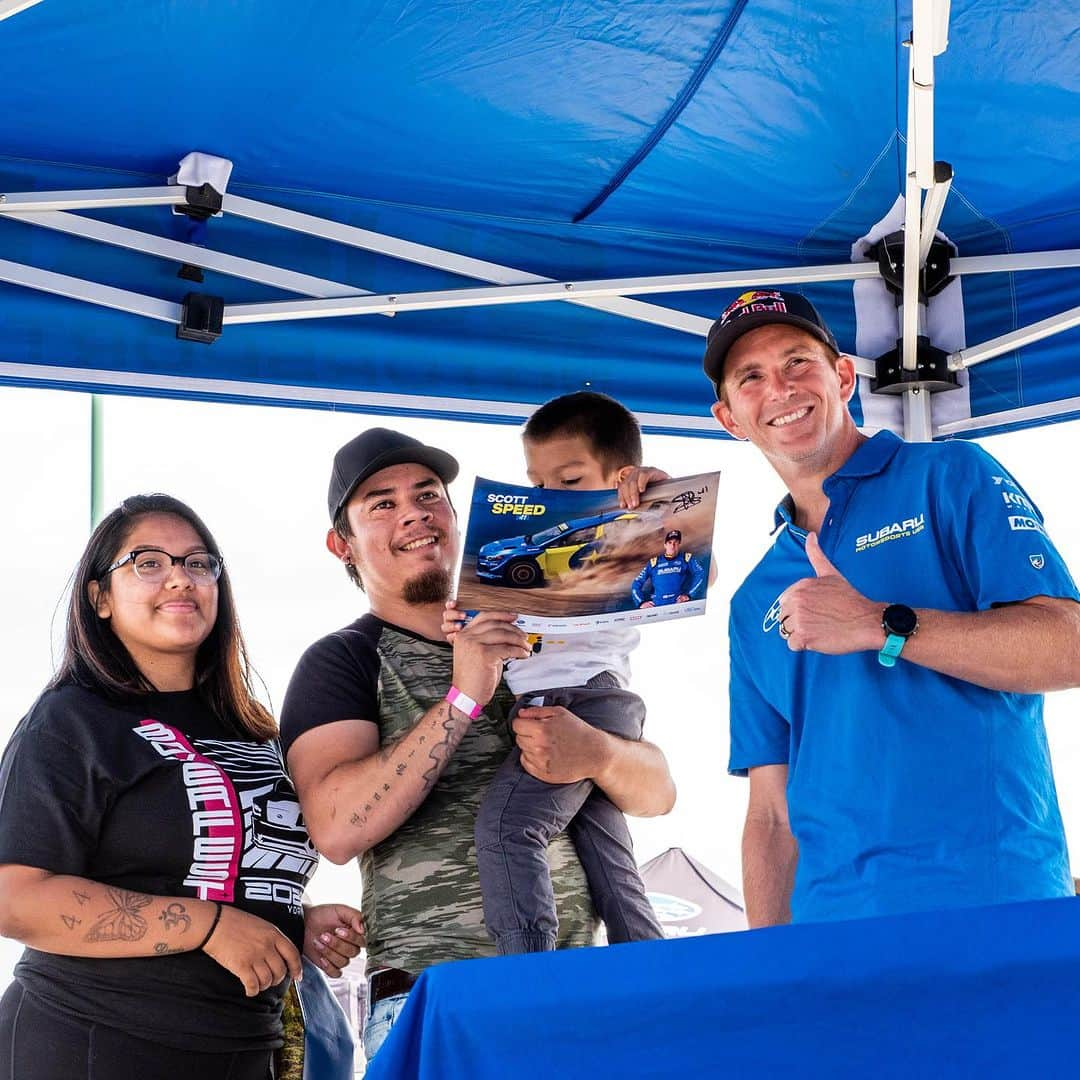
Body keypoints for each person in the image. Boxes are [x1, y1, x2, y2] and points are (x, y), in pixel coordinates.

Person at [280, 426, 675, 1062]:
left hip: (581, 1000)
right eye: (381, 503)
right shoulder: (343, 660)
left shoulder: (541, 619)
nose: (413, 512)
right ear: (341, 545)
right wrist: (463, 694)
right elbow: (335, 826)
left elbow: (657, 792)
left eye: (429, 494)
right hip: (437, 1003)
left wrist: (598, 753)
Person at [694, 286, 1080, 927]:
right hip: (830, 934)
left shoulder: (951, 475)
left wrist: (882, 624)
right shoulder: (753, 598)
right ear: (730, 417)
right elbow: (770, 811)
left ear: (842, 376)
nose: (781, 389)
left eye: (798, 362)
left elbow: (1067, 645)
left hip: (991, 902)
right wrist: (768, 969)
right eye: (751, 378)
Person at [0, 494, 364, 1080]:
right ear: (100, 598)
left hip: (242, 1048)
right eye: (148, 562)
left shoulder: (255, 730)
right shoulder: (72, 719)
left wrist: (294, 917)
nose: (180, 577)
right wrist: (209, 925)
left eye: (199, 563)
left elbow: (216, 870)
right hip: (95, 1042)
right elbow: (13, 896)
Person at [445, 391, 665, 955]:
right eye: (537, 484)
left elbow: (692, 569)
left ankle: (528, 967)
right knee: (605, 848)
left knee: (506, 829)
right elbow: (510, 630)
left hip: (582, 699)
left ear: (622, 477)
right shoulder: (536, 549)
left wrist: (657, 498)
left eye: (568, 482)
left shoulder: (629, 527)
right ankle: (647, 960)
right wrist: (466, 619)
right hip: (571, 699)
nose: (549, 497)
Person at [631, 529, 707, 608]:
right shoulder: (654, 562)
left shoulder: (686, 558)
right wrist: (640, 602)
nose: (672, 546)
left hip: (678, 604)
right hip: (656, 606)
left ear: (679, 544)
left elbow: (700, 573)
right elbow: (637, 582)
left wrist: (689, 594)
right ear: (665, 545)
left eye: (676, 543)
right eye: (670, 542)